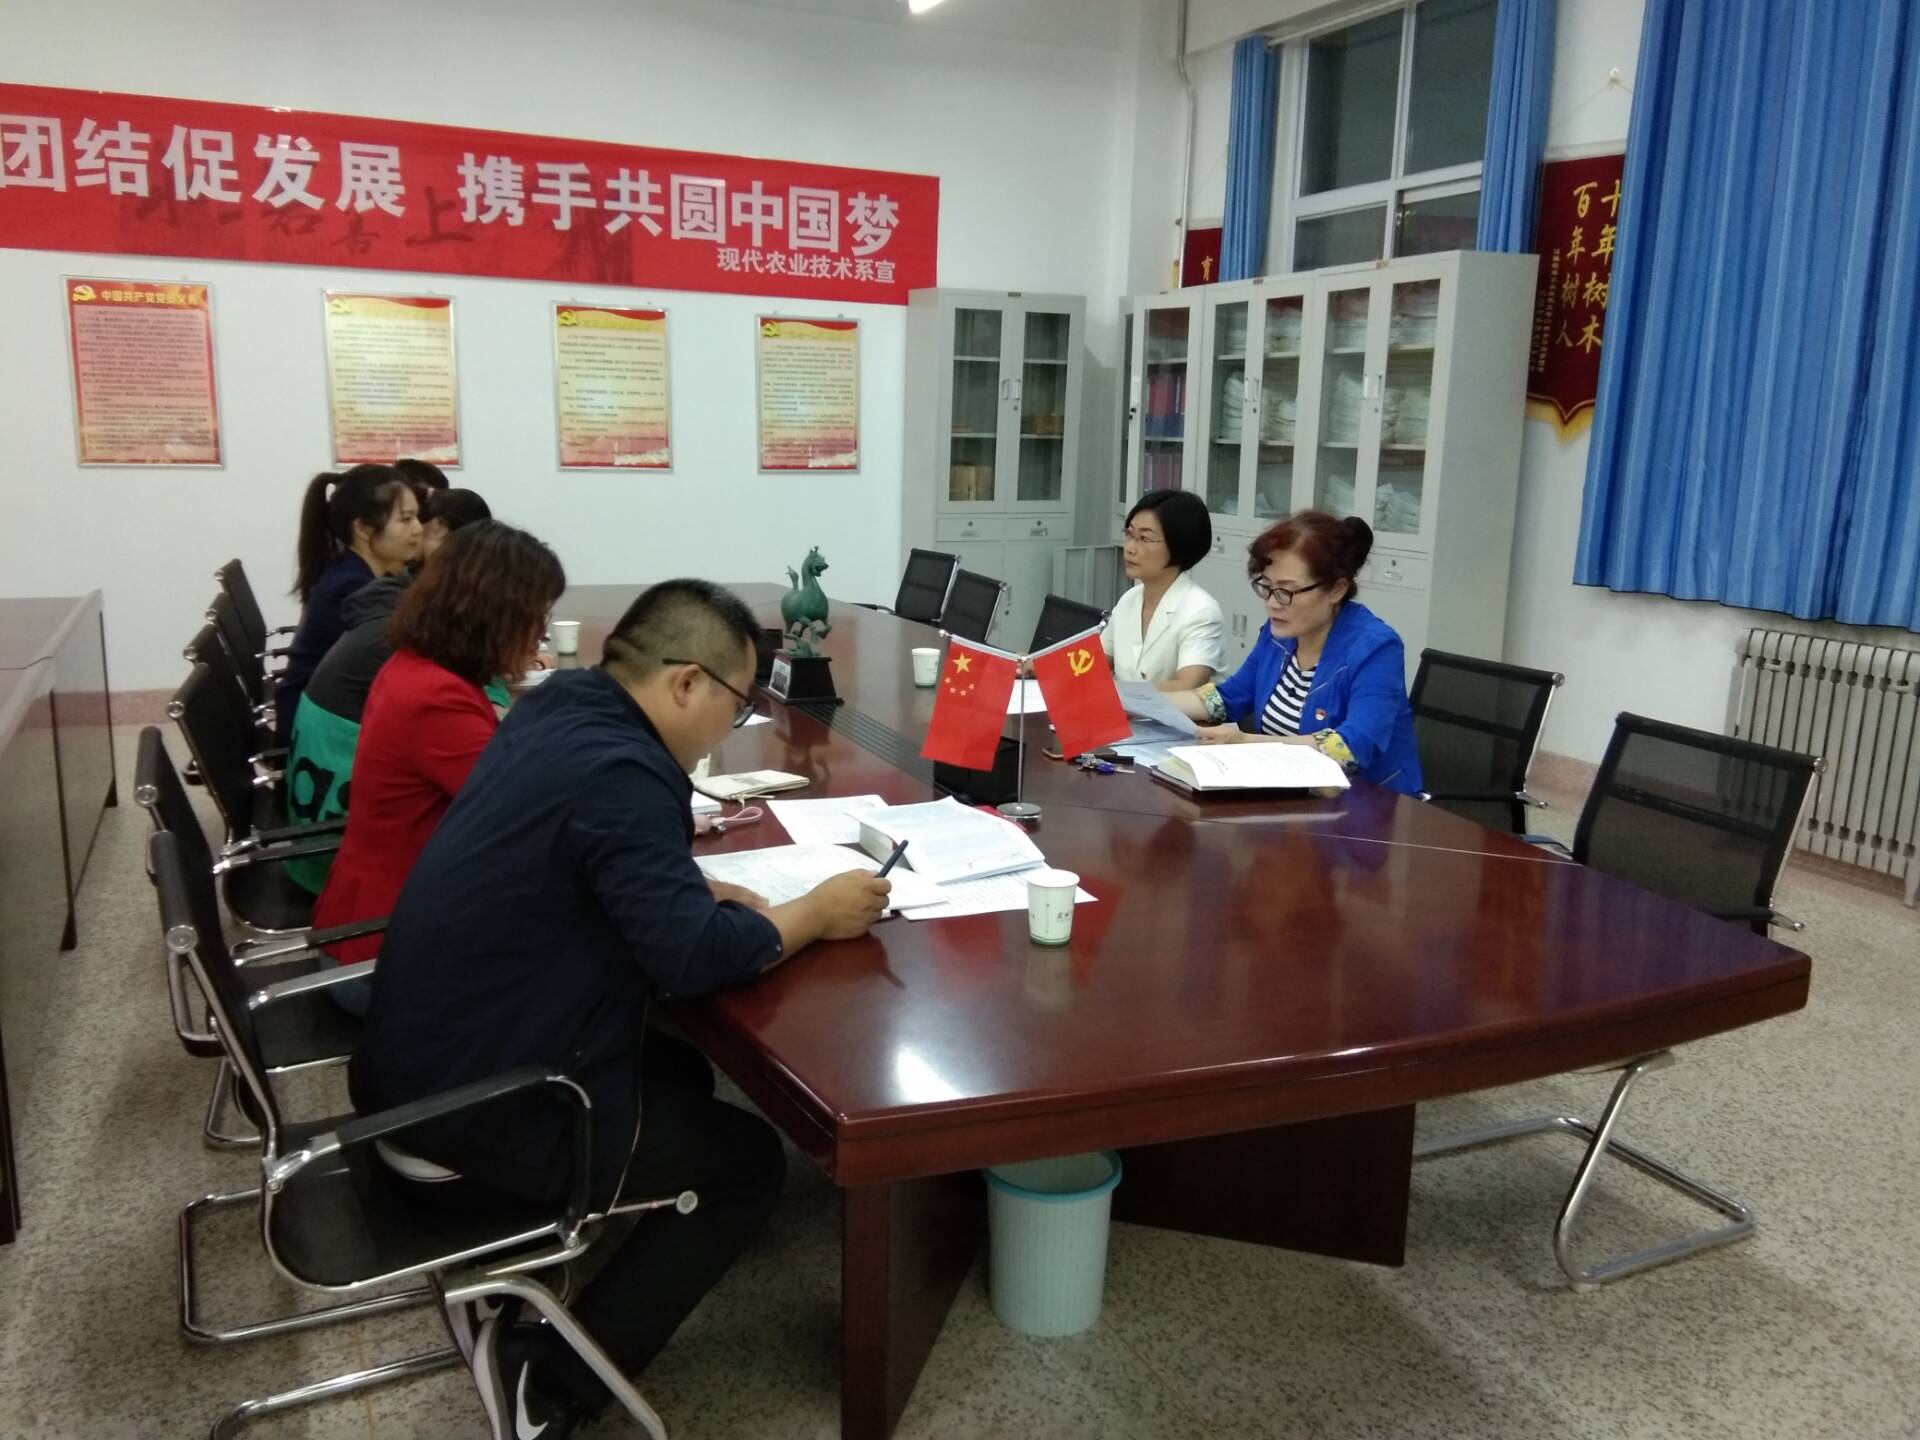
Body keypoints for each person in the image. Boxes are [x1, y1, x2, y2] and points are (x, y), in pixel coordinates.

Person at [349, 579, 889, 1440]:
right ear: (686, 682)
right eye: (737, 703)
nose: (734, 723)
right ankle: (547, 1385)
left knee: (676, 1069)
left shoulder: (561, 707)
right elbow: (691, 960)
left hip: (410, 1059)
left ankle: (586, 1233)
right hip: (472, 1108)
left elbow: (585, 858)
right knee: (750, 1162)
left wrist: (686, 888)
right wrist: (815, 913)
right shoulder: (626, 773)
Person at [311, 520, 564, 1004]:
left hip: (391, 921)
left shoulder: (419, 665)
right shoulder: (435, 697)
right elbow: (534, 817)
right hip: (385, 956)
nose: (541, 632)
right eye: (537, 616)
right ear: (497, 615)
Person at [281, 487, 494, 894]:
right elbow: (497, 792)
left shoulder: (393, 607)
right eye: (407, 518)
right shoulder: (403, 644)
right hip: (343, 854)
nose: (418, 530)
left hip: (329, 822)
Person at [1166, 511, 1424, 795]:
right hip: (1293, 798)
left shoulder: (1376, 648)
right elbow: (1227, 698)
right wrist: (1137, 702)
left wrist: (1245, 742)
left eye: (1286, 591)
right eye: (1266, 587)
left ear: (1336, 590)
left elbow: (1351, 747)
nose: (1273, 603)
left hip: (1367, 805)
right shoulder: (1279, 636)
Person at [277, 465, 420, 744]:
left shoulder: (353, 571)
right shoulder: (352, 588)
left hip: (320, 714)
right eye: (405, 519)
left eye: (416, 517)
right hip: (318, 733)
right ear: (363, 528)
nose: (417, 529)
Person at [1103, 489, 1226, 689]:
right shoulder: (1129, 599)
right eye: (1129, 534)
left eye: (1144, 539)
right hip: (1125, 708)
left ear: (1179, 545)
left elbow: (1186, 685)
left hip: (1174, 711)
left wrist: (1115, 691)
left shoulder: (1201, 611)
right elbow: (1094, 663)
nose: (1130, 548)